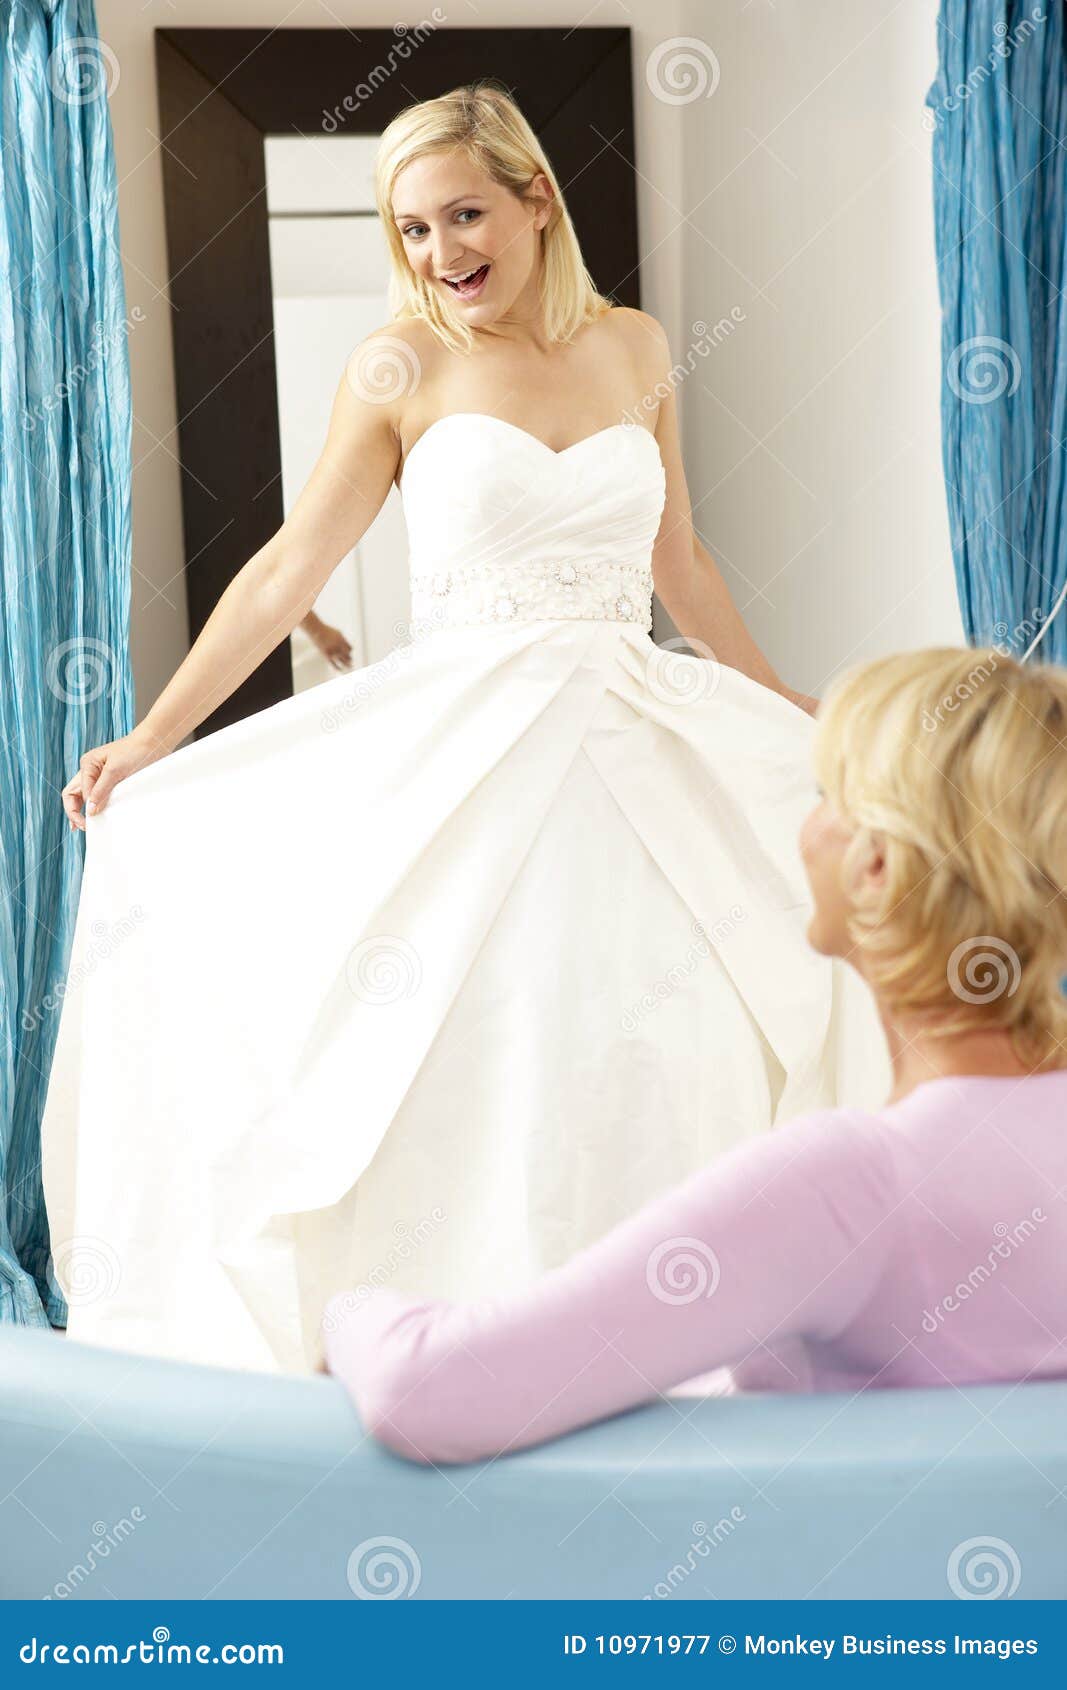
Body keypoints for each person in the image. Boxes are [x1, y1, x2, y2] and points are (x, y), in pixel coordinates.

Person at [41, 82, 888, 1376]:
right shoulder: (400, 365)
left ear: (535, 198)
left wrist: (785, 707)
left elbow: (684, 564)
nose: (440, 253)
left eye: (462, 214)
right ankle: (454, 1344)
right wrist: (154, 732)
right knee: (453, 1026)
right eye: (412, 231)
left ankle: (662, 1337)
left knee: (659, 1015)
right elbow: (283, 568)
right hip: (466, 728)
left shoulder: (638, 347)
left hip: (629, 719)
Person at [322, 646, 1067, 1464]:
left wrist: (345, 1313)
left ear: (875, 866)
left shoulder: (854, 1184)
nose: (805, 825)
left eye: (827, 798)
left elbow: (429, 1390)